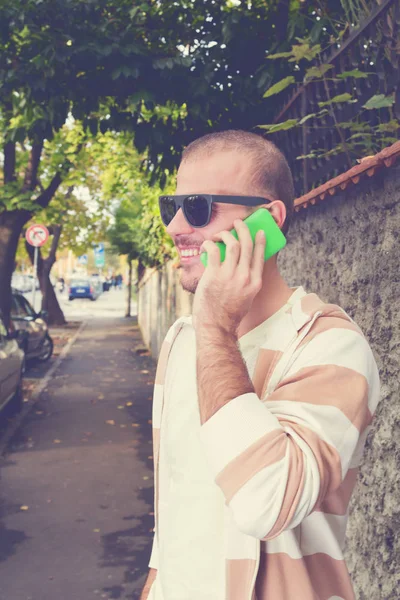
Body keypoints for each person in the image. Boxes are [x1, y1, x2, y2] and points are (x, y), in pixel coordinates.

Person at [140, 130, 381, 600]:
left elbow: (266, 505)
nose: (174, 228)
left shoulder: (329, 344)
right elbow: (176, 489)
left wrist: (214, 327)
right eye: (173, 206)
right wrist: (155, 581)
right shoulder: (181, 341)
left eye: (198, 207)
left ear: (266, 222)